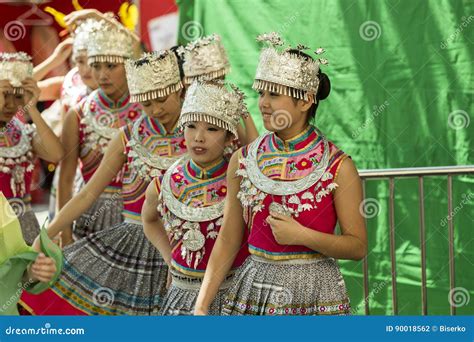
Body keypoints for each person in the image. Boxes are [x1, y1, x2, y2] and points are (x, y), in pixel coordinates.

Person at [194, 32, 367, 315]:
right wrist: (201, 308)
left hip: (315, 295)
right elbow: (228, 238)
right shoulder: (244, 160)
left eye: (274, 94)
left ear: (305, 100)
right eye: (261, 92)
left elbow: (357, 246)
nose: (263, 103)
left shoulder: (338, 166)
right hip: (254, 292)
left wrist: (302, 235)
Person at [21, 49, 186, 315]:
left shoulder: (204, 133)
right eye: (146, 103)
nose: (155, 110)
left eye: (162, 99)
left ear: (181, 89)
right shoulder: (128, 136)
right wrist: (46, 235)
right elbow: (87, 195)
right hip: (133, 243)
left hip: (188, 243)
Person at [142, 81, 249, 315]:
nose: (199, 137)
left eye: (212, 129)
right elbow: (149, 220)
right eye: (191, 126)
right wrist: (170, 258)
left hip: (233, 295)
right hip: (180, 296)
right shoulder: (164, 183)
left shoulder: (242, 183)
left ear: (230, 137)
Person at [57, 19, 140, 244]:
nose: (102, 75)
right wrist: (64, 235)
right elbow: (65, 179)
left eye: (111, 66)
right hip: (89, 219)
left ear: (129, 65)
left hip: (138, 217)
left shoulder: (146, 112)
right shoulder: (78, 114)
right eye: (96, 66)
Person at [0, 52, 64, 244]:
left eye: (17, 96)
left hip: (25, 227)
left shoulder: (24, 133)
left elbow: (57, 154)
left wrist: (32, 109)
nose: (11, 104)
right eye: (4, 95)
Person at [179, 34, 259, 146]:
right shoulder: (186, 112)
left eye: (219, 80)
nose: (216, 87)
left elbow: (252, 149)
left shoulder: (223, 107)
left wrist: (241, 107)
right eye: (209, 81)